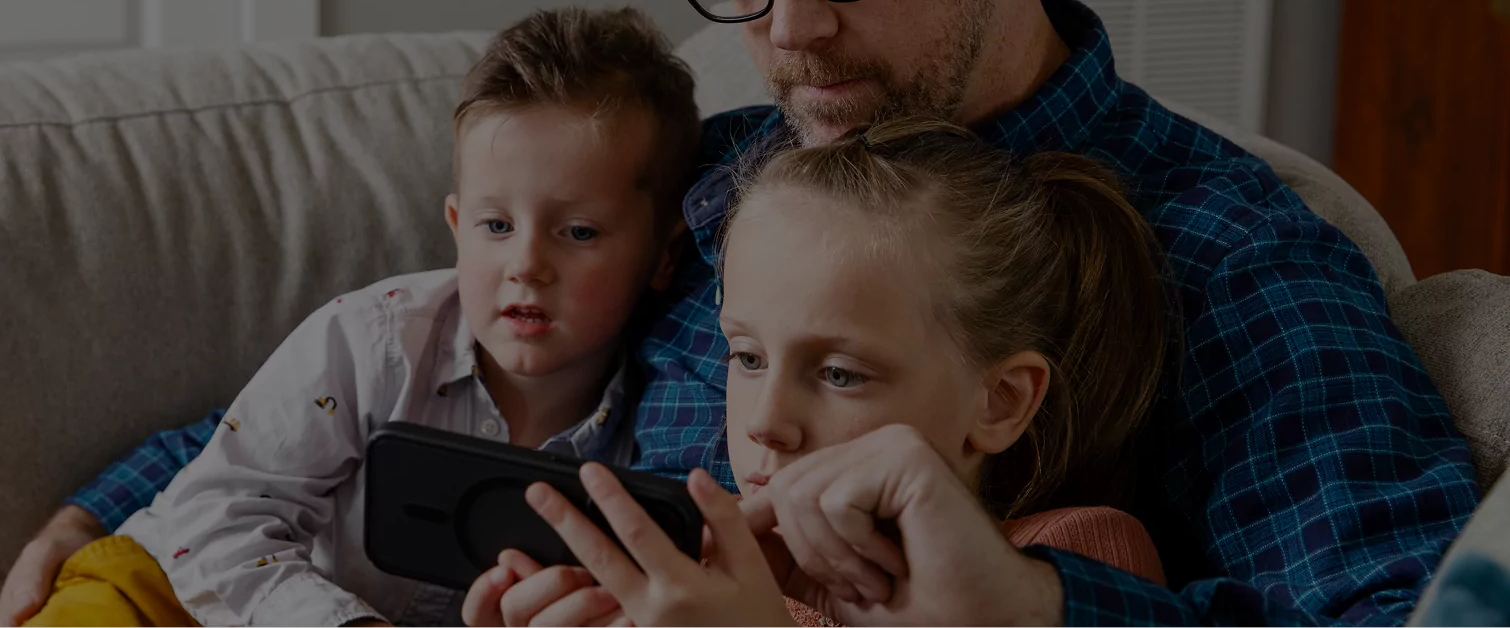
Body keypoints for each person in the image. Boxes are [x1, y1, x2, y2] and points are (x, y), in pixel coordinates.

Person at [0, 0, 1480, 625]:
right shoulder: (722, 178)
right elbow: (449, 358)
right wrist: (119, 502)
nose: (778, 32)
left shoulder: (1225, 255)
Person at [9, 7, 704, 627]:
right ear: (457, 227)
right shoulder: (373, 340)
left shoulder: (655, 432)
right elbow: (218, 511)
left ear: (662, 256)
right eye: (495, 225)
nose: (526, 264)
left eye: (579, 232)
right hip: (163, 590)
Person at [466, 117, 1179, 628]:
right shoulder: (690, 575)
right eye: (746, 358)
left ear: (998, 401)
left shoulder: (1066, 562)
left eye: (840, 374)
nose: (763, 422)